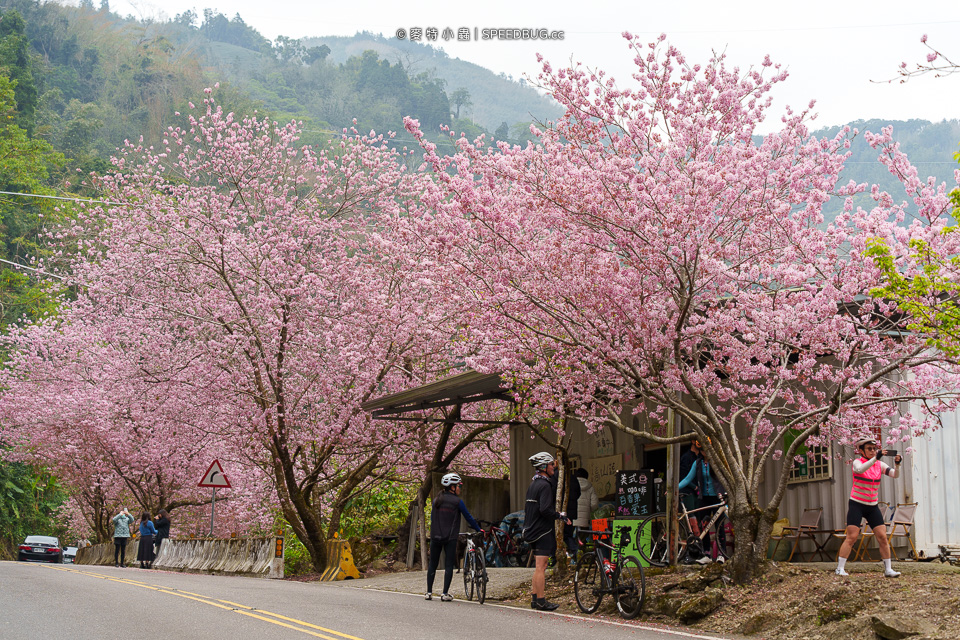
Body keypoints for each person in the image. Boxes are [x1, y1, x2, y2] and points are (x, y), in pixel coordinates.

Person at [836, 438, 903, 578]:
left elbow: (895, 475)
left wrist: (897, 465)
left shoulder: (880, 464)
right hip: (857, 504)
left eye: (874, 449)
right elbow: (860, 469)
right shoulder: (857, 462)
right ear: (861, 451)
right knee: (852, 536)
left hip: (872, 505)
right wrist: (875, 459)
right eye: (869, 449)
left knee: (882, 537)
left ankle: (888, 569)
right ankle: (840, 568)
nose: (873, 451)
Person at [523, 452, 571, 611]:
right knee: (541, 567)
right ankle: (541, 600)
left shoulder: (533, 484)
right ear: (544, 466)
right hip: (542, 530)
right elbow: (545, 509)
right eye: (551, 465)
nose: (553, 467)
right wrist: (559, 516)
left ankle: (535, 598)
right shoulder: (545, 485)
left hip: (532, 529)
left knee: (538, 566)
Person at [425, 472, 482, 602]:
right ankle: (444, 593)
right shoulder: (457, 502)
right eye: (459, 486)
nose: (460, 488)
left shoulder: (436, 500)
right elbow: (468, 518)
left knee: (432, 564)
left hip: (435, 537)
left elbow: (433, 518)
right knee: (449, 565)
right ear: (452, 487)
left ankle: (428, 592)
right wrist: (479, 529)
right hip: (450, 538)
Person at [679, 438, 725, 563]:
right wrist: (674, 488)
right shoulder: (698, 463)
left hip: (717, 497)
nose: (705, 452)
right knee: (704, 526)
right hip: (704, 498)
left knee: (719, 525)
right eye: (703, 450)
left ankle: (721, 554)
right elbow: (688, 479)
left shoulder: (716, 462)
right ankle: (706, 554)